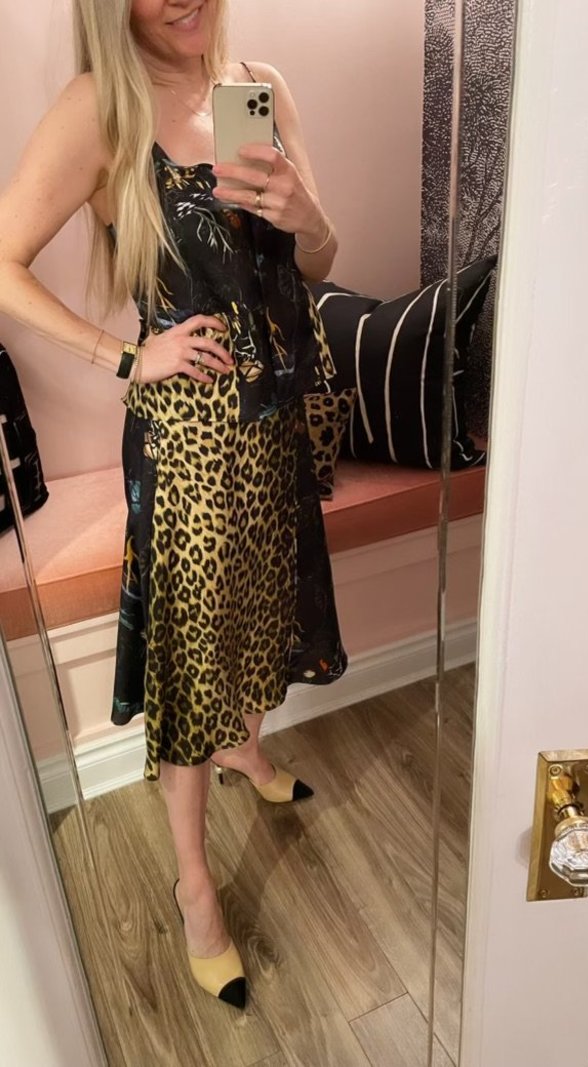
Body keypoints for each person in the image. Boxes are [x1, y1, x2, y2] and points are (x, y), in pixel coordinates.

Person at [0, 0, 347, 1010]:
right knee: (193, 664)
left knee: (259, 609)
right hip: (188, 440)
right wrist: (124, 355)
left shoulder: (255, 89)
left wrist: (307, 216)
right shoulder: (100, 110)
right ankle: (195, 886)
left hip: (276, 420)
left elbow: (314, 264)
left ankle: (247, 743)